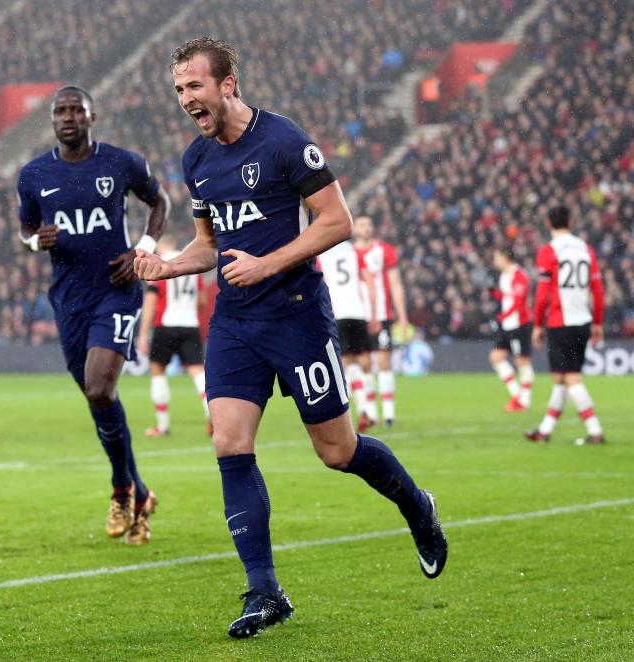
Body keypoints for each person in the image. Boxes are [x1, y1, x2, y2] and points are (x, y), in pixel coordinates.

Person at [134, 37, 446, 639]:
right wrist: (169, 265)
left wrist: (268, 264)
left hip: (298, 314)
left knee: (337, 451)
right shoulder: (195, 160)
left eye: (194, 86)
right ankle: (264, 591)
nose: (186, 99)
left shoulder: (282, 140)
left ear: (227, 84)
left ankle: (417, 506)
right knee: (229, 443)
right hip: (235, 321)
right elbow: (211, 244)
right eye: (178, 90)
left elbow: (338, 221)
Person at [17, 86, 170, 544]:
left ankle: (121, 489)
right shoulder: (33, 174)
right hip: (68, 300)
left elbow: (158, 201)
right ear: (52, 120)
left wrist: (142, 249)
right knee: (95, 395)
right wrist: (33, 241)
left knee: (101, 387)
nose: (68, 117)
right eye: (60, 111)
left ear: (91, 116)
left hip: (116, 291)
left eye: (75, 110)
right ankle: (140, 493)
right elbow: (26, 227)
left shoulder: (121, 163)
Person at [525, 206, 605, 445]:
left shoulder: (549, 251)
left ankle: (595, 431)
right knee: (561, 377)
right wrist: (598, 322)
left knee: (570, 377)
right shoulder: (585, 248)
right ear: (570, 221)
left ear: (548, 223)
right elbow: (598, 290)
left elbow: (542, 294)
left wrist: (538, 324)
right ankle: (545, 430)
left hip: (560, 321)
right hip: (582, 320)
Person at [136, 238, 211, 437]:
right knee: (198, 372)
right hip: (190, 325)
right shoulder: (190, 263)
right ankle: (214, 414)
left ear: (160, 245)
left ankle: (162, 426)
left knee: (157, 370)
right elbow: (202, 300)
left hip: (165, 325)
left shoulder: (159, 263)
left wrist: (143, 334)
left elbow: (151, 301)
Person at [317, 237, 381, 431]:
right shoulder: (354, 252)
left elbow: (320, 283)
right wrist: (374, 314)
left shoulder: (322, 253)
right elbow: (369, 283)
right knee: (365, 362)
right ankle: (371, 410)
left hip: (338, 313)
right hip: (358, 312)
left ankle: (363, 410)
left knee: (347, 363)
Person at [353, 215, 408, 428]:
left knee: (384, 361)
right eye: (361, 225)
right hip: (358, 316)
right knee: (365, 363)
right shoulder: (349, 253)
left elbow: (395, 284)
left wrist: (402, 316)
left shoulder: (384, 250)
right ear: (354, 228)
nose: (366, 228)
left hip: (383, 314)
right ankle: (371, 413)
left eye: (368, 224)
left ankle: (389, 414)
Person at [488, 246, 534, 411]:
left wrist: (502, 316)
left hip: (519, 324)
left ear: (504, 258)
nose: (495, 261)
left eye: (496, 257)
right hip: (508, 324)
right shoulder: (505, 276)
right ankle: (517, 396)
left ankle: (524, 400)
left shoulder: (519, 275)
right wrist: (494, 293)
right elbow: (508, 297)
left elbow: (519, 301)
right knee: (496, 357)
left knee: (522, 361)